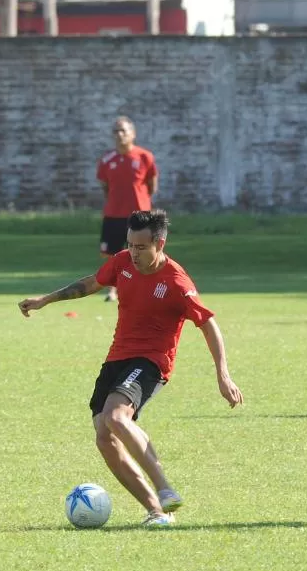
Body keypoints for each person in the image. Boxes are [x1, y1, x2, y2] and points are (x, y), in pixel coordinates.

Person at [18, 210, 243, 526]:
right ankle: (156, 511)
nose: (133, 253)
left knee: (116, 417)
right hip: (116, 358)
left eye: (141, 247)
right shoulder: (122, 262)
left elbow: (208, 324)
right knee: (103, 436)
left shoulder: (176, 281)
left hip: (152, 361)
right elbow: (91, 283)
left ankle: (164, 487)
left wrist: (223, 375)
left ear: (159, 243)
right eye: (130, 245)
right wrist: (46, 299)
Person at [97, 116, 159, 302]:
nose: (119, 135)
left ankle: (147, 288)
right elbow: (105, 186)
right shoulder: (107, 159)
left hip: (140, 215)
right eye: (116, 131)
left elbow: (152, 185)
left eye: (123, 131)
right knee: (112, 255)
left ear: (133, 134)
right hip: (114, 214)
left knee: (144, 251)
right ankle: (112, 291)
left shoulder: (144, 157)